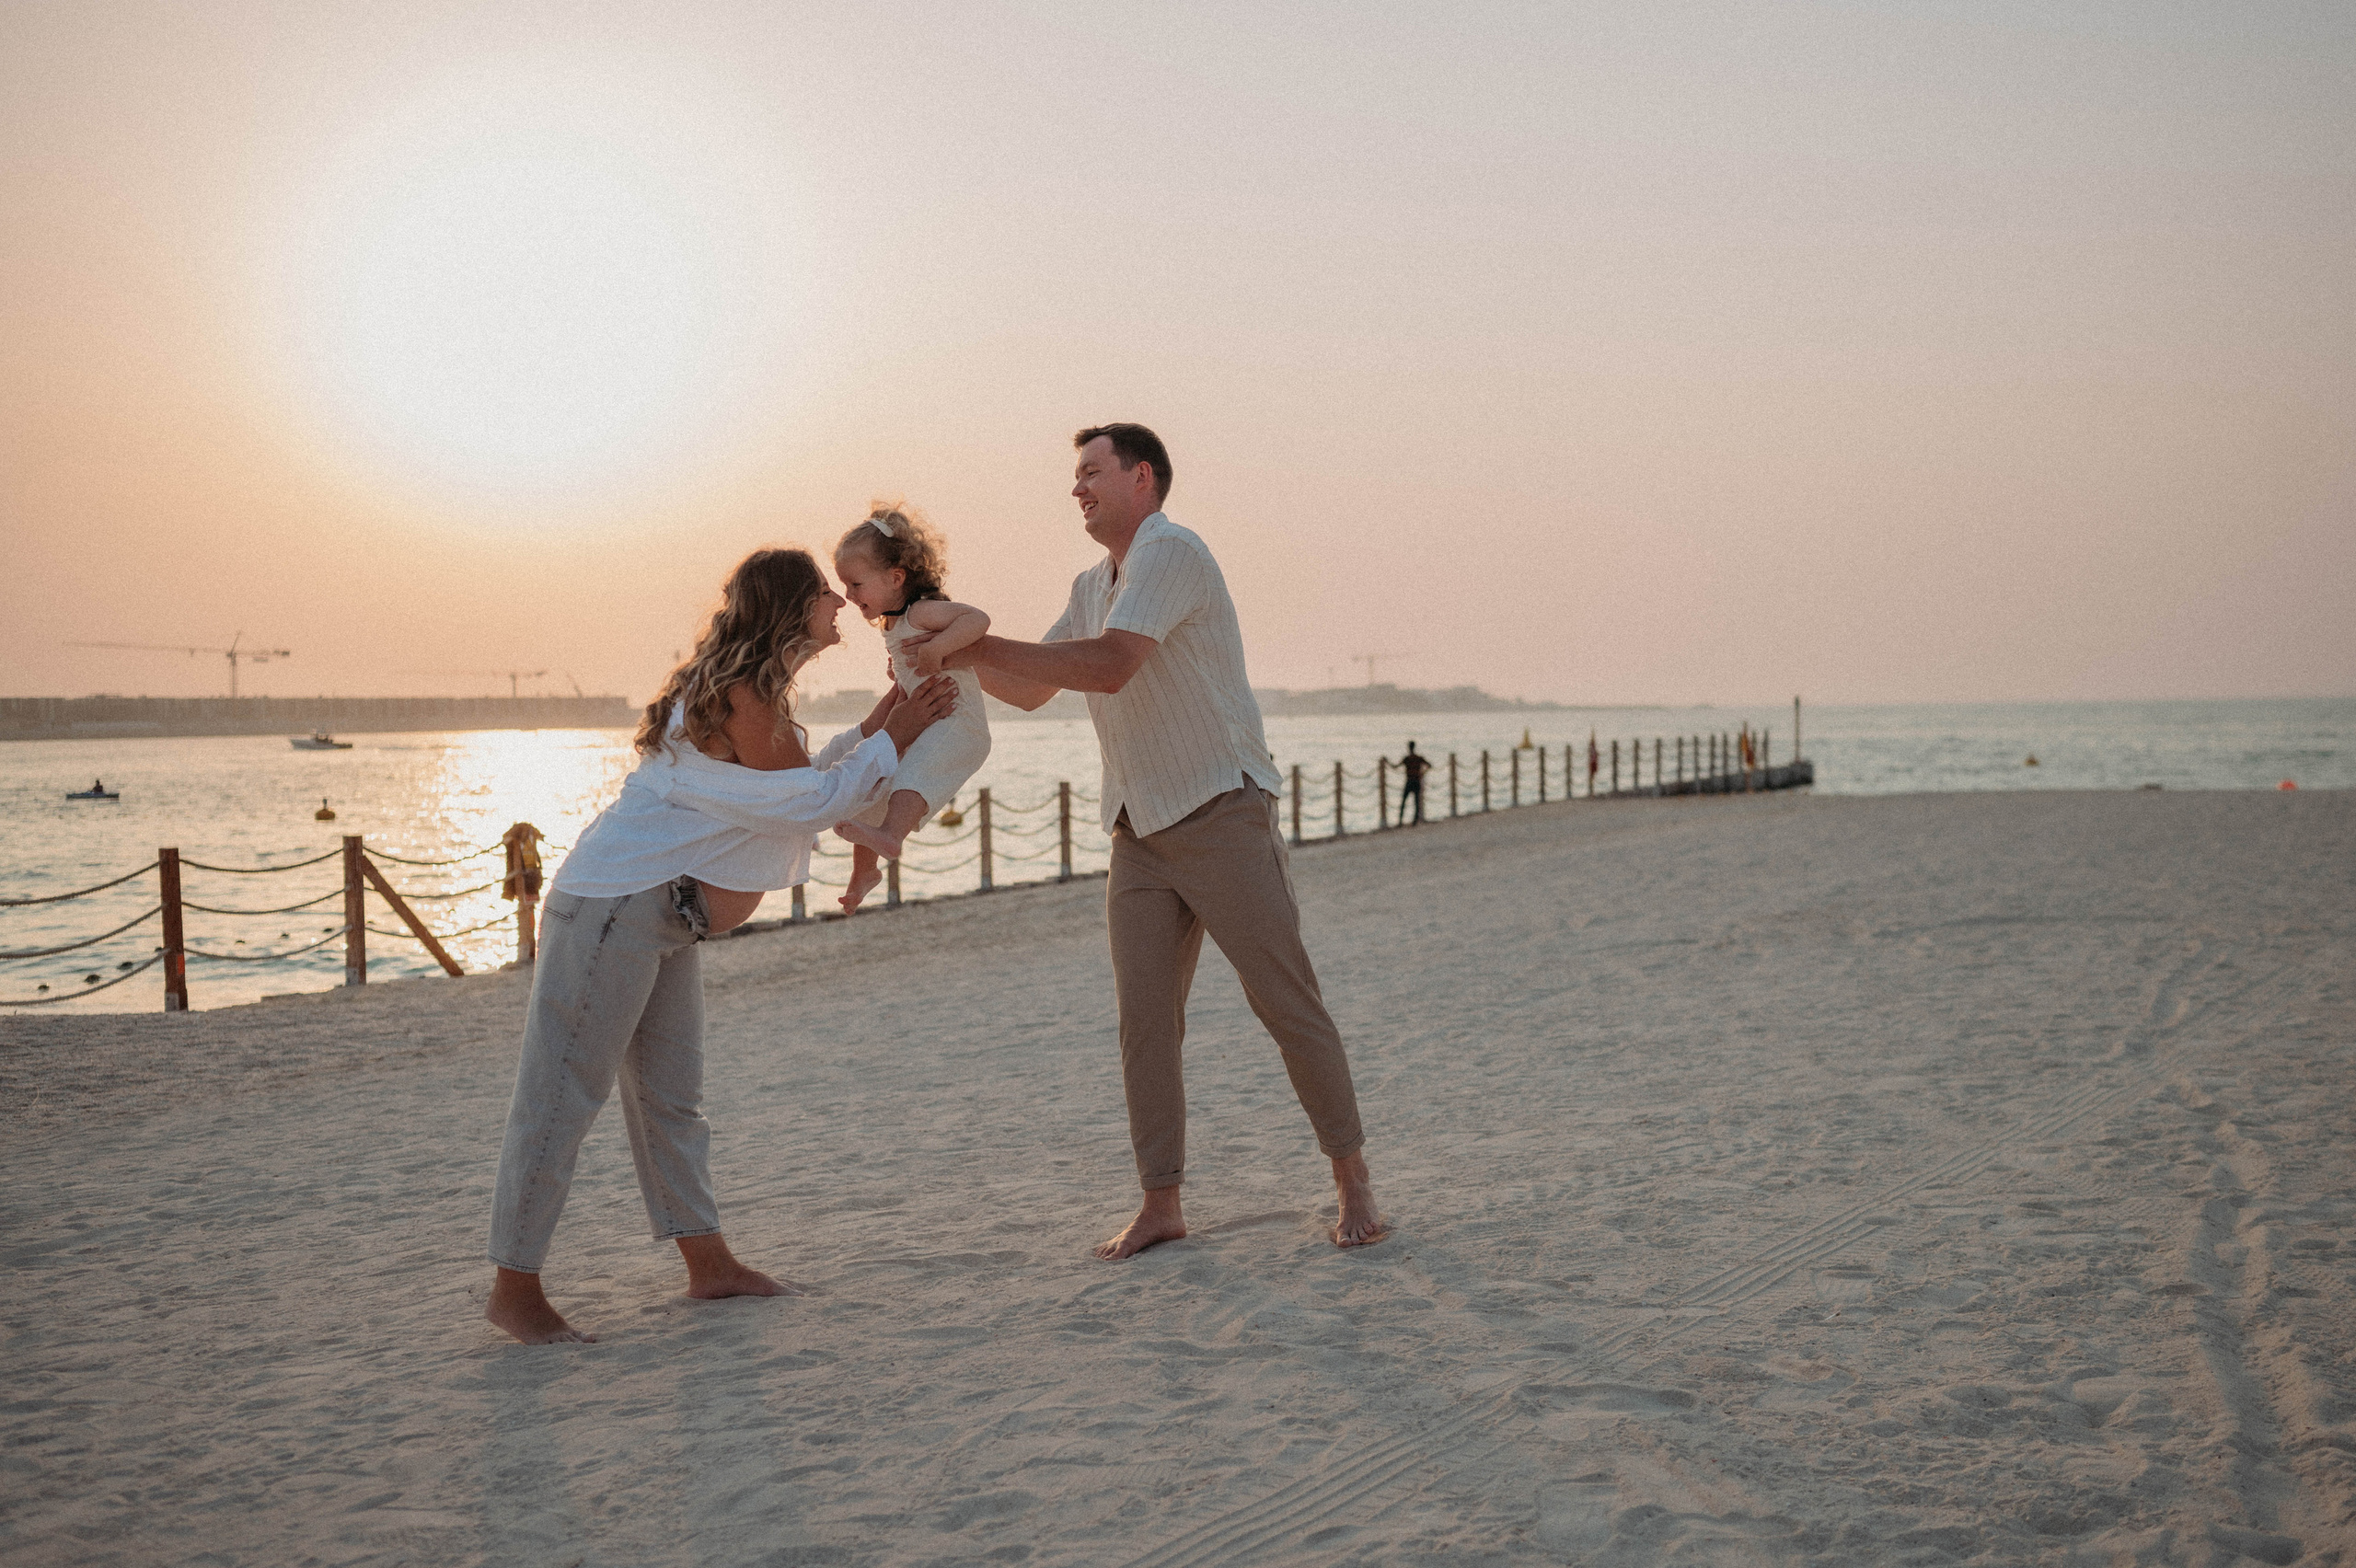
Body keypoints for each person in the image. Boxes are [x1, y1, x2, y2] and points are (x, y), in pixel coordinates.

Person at [483, 546, 957, 1344]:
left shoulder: (754, 694)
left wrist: (887, 721)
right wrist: (897, 731)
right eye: (823, 596)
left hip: (665, 916)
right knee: (562, 1096)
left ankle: (709, 1265)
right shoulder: (737, 693)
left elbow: (799, 780)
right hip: (614, 910)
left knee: (673, 1097)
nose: (840, 606)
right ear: (789, 608)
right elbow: (807, 803)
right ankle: (515, 1287)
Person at [935, 423, 1385, 1258]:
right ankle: (1162, 1203)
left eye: (1091, 472)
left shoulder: (1173, 551)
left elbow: (1109, 665)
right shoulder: (1090, 580)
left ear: (1142, 478)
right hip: (1137, 827)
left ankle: (1352, 1178)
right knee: (1144, 1023)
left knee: (1286, 1004)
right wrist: (943, 652)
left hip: (1220, 807)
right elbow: (1032, 690)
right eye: (1074, 476)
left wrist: (975, 642)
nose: (1077, 488)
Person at [829, 503, 993, 913]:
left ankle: (891, 835)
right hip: (929, 721)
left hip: (957, 724)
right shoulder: (893, 621)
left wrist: (938, 648)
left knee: (911, 775)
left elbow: (977, 619)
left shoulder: (921, 612)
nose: (848, 596)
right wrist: (902, 673)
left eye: (855, 584)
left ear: (895, 577)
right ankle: (864, 870)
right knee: (876, 780)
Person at [1396, 742, 1429, 825]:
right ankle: (1414, 821)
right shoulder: (1418, 758)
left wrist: (1387, 761)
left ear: (1409, 748)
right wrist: (1422, 773)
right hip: (1416, 781)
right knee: (1416, 802)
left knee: (1404, 801)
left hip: (1410, 781)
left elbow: (1395, 766)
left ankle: (1400, 821)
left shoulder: (1407, 758)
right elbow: (1429, 765)